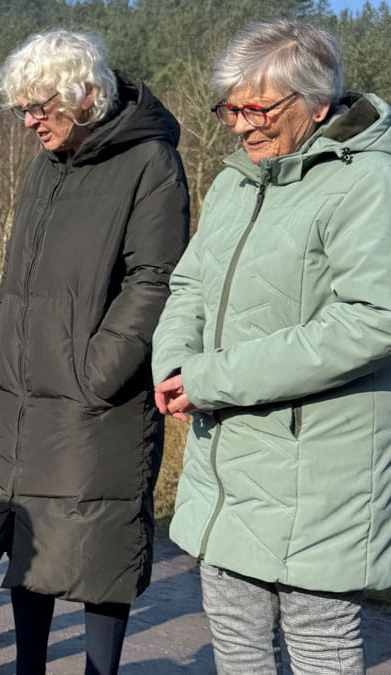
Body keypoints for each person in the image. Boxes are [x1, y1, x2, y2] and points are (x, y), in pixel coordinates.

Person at [152, 19, 391, 673]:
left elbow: (374, 319)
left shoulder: (370, 182)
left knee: (320, 646)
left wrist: (213, 378)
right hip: (226, 460)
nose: (238, 124)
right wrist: (174, 362)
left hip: (320, 468)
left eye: (254, 108)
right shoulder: (237, 180)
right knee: (234, 640)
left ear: (317, 103)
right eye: (229, 107)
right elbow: (191, 282)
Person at [0, 29, 189, 675]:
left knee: (99, 546)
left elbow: (156, 278)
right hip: (22, 391)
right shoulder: (47, 164)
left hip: (97, 399)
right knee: (27, 543)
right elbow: (18, 274)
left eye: (41, 106)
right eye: (23, 109)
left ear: (85, 94)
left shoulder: (151, 161)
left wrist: (99, 372)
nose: (30, 120)